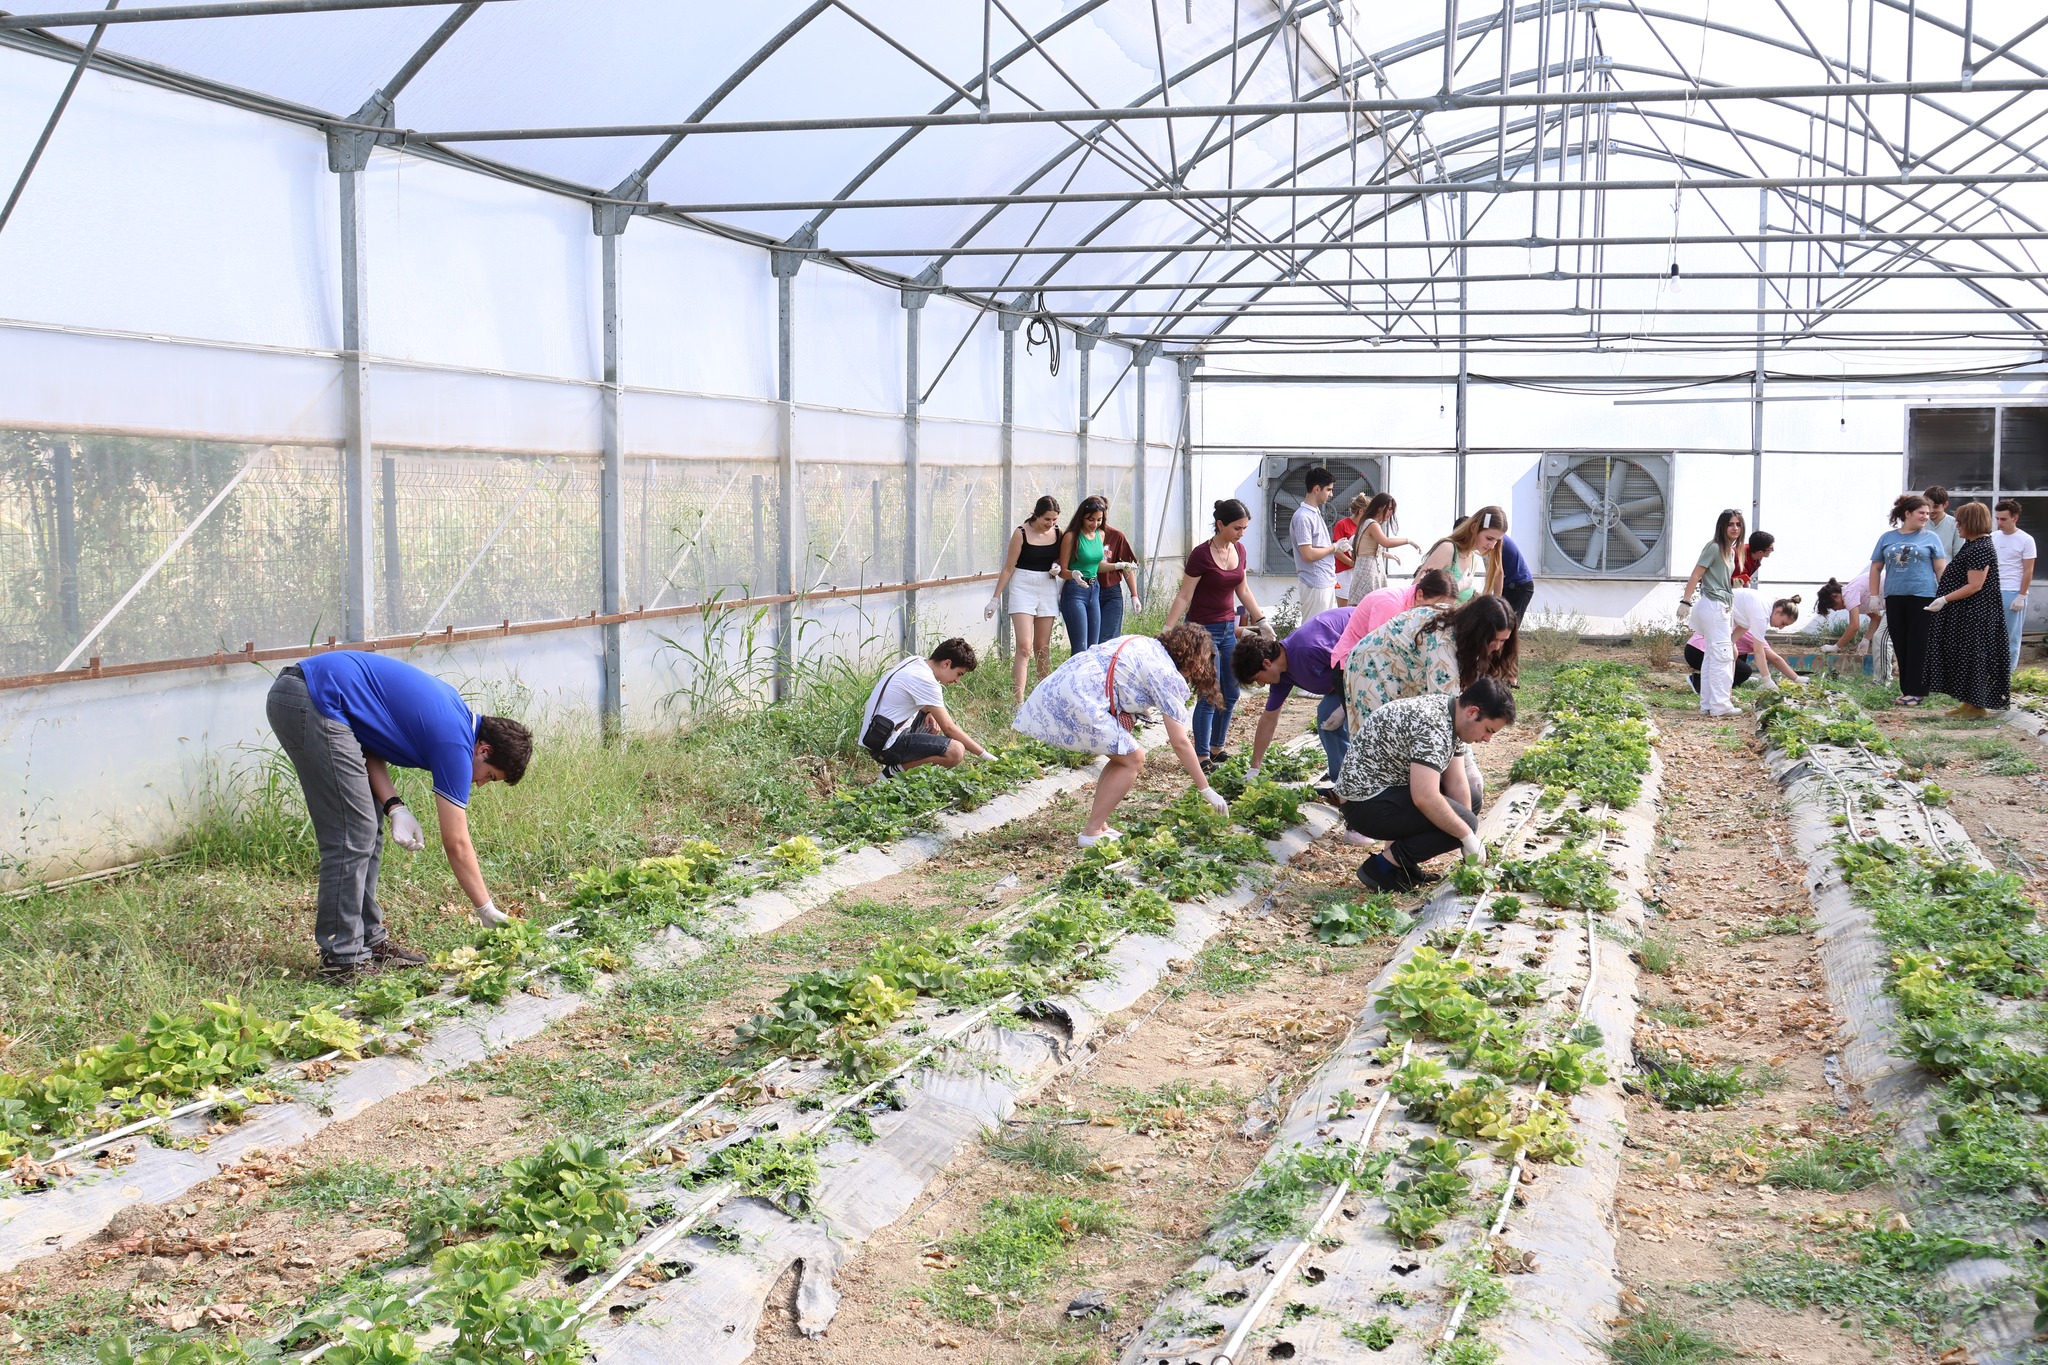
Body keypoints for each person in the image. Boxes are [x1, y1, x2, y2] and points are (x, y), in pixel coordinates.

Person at [266, 652, 533, 982]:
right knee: (354, 832)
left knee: (368, 828)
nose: (479, 783)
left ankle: (368, 941)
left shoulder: (455, 717)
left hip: (316, 696)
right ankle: (342, 959)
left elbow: (366, 738)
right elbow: (456, 843)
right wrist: (485, 909)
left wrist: (395, 806)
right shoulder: (455, 742)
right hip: (310, 697)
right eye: (490, 776)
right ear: (484, 750)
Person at [1011, 624, 1234, 846]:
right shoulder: (1166, 674)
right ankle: (1091, 831)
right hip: (1079, 699)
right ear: (1190, 657)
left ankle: (1099, 825)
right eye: (1202, 660)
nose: (1202, 668)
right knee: (1134, 759)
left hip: (1065, 684)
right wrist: (1206, 788)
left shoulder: (1148, 644)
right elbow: (1180, 743)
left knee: (1122, 757)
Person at [1337, 679, 1516, 892]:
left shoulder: (1451, 713)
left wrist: (1466, 838)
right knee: (1462, 823)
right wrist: (1466, 835)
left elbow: (1456, 782)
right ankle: (1381, 868)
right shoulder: (1433, 726)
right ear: (1472, 712)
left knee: (1470, 805)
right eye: (1488, 730)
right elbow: (1424, 797)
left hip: (1385, 790)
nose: (1487, 739)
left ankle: (1404, 865)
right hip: (1364, 804)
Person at [1165, 498, 1270, 769]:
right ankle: (1201, 756)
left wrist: (1261, 621)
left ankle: (1217, 747)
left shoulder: (1240, 550)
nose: (1241, 533)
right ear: (1220, 524)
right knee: (1210, 694)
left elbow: (1243, 590)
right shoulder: (1201, 555)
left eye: (1244, 528)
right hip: (1202, 631)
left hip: (1227, 629)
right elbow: (1184, 595)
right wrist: (1167, 630)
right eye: (1237, 528)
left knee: (1232, 692)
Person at [1345, 593, 1521, 717]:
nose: (1497, 647)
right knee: (1381, 738)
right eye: (1493, 640)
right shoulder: (1442, 649)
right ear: (1477, 632)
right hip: (1370, 667)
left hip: (1402, 671)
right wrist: (1462, 757)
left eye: (1503, 641)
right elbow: (1447, 714)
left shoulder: (1459, 627)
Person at [1233, 607, 1354, 785]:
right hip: (1344, 681)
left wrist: (1345, 706)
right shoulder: (1281, 676)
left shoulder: (1308, 648)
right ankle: (1345, 785)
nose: (1261, 685)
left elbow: (1356, 663)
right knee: (1327, 717)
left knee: (1363, 721)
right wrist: (1254, 768)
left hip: (1368, 660)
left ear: (1266, 663)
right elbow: (1269, 719)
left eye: (1257, 678)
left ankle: (1371, 782)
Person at [1922, 501, 2009, 718]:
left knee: (1974, 657)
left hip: (1976, 614)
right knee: (1966, 656)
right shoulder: (1972, 545)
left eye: (1960, 522)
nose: (1957, 526)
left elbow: (1975, 585)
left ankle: (1977, 707)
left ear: (1971, 523)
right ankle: (1969, 703)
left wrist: (1944, 599)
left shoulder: (1981, 547)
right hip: (1967, 613)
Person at [859, 638, 991, 777]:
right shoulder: (926, 680)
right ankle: (892, 773)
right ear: (946, 663)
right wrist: (986, 756)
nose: (957, 680)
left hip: (876, 735)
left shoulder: (915, 661)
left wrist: (929, 712)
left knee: (932, 717)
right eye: (959, 674)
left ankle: (906, 765)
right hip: (885, 747)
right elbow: (949, 729)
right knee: (955, 751)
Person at [1868, 493, 1948, 707]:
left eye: (1928, 514)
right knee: (1900, 643)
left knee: (1918, 644)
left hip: (1923, 596)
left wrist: (1945, 596)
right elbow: (1876, 568)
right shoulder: (1887, 538)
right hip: (1895, 597)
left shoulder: (1931, 538)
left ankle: (1917, 692)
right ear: (1907, 513)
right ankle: (1907, 690)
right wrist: (1874, 596)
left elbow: (1940, 568)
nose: (1926, 517)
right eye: (1921, 513)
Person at [986, 495, 1063, 703]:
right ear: (1036, 515)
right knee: (1024, 647)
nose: (1050, 523)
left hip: (1047, 586)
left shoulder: (1058, 533)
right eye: (1047, 519)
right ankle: (1018, 702)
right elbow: (1008, 568)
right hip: (1022, 586)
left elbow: (1062, 559)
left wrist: (1057, 565)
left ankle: (1042, 699)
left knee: (1042, 647)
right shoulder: (1021, 533)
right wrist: (995, 599)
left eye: (1054, 519)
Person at [1678, 507, 1746, 718]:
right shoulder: (1715, 547)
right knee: (1723, 655)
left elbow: (1715, 578)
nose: (1735, 528)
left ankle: (1708, 704)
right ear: (1722, 527)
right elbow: (1696, 574)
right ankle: (1720, 705)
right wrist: (1685, 601)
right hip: (1714, 606)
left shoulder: (1730, 551)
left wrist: (1732, 584)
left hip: (1718, 604)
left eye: (1738, 524)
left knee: (1712, 656)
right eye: (1730, 524)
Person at [1329, 568, 1457, 670]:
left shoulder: (1415, 603)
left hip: (1370, 664)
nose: (1438, 614)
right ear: (1420, 595)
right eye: (1436, 608)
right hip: (1352, 665)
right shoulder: (1391, 604)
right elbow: (1379, 648)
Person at [1685, 592, 1803, 694]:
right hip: (1702, 640)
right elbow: (1759, 652)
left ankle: (1720, 693)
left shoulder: (1755, 612)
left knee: (1732, 652)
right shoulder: (1760, 616)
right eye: (1783, 623)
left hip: (1708, 617)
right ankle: (1710, 691)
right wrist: (1767, 680)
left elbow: (1732, 640)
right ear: (1778, 612)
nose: (1781, 628)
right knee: (1737, 664)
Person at [1417, 506, 1508, 602]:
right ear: (1473, 528)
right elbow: (1415, 592)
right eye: (1489, 538)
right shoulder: (1448, 549)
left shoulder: (1473, 558)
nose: (1492, 546)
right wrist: (1458, 587)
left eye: (1497, 540)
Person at [1057, 496, 1108, 654]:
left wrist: (1119, 566)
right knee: (1080, 648)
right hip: (1075, 591)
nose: (1095, 524)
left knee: (1094, 647)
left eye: (1099, 520)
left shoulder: (1100, 534)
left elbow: (1096, 565)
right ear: (1082, 517)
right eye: (1090, 519)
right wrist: (1073, 574)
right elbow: (1062, 571)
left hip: (1094, 588)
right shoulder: (1072, 537)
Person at [1291, 467, 1341, 618]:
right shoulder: (1303, 517)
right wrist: (1334, 547)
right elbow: (1308, 554)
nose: (1331, 494)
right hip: (1315, 583)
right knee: (1314, 629)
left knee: (1325, 628)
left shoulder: (1314, 513)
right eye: (1329, 490)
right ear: (1317, 489)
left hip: (1325, 581)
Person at [1994, 499, 2036, 676]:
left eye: (2003, 519)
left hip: (2012, 591)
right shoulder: (1993, 537)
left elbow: (2028, 570)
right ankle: (1991, 674)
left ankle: (2007, 675)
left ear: (2015, 518)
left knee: (2010, 637)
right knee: (1991, 636)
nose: (1999, 522)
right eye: (1997, 518)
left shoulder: (2026, 540)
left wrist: (2021, 595)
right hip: (1993, 590)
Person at [1346, 493, 1412, 603]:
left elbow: (1369, 548)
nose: (1391, 513)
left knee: (1371, 604)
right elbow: (1386, 542)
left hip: (1371, 569)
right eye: (1389, 509)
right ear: (1380, 508)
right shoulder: (1371, 523)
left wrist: (1387, 555)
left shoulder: (1368, 522)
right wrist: (1408, 541)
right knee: (1368, 604)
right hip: (1368, 571)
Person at [1096, 504, 1142, 641]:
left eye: (1101, 516)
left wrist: (1134, 595)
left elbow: (1127, 566)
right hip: (1089, 590)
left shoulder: (1116, 536)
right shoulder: (1080, 536)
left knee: (1108, 638)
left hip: (1111, 591)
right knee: (1092, 639)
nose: (1097, 521)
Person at [1331, 493, 1367, 607]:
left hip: (1360, 572)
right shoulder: (1342, 524)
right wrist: (1352, 563)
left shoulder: (1365, 527)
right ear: (1361, 511)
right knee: (1344, 608)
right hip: (1344, 572)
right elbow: (1337, 551)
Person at [1497, 533, 1535, 621]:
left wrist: (1495, 601)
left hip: (1519, 586)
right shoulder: (1491, 538)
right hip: (1507, 584)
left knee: (1508, 625)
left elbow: (1498, 573)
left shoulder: (1494, 539)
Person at [1925, 485, 1961, 558]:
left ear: (1945, 504)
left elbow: (1958, 553)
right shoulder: (1919, 523)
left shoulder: (1955, 524)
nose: (1931, 510)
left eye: (1935, 506)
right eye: (1928, 506)